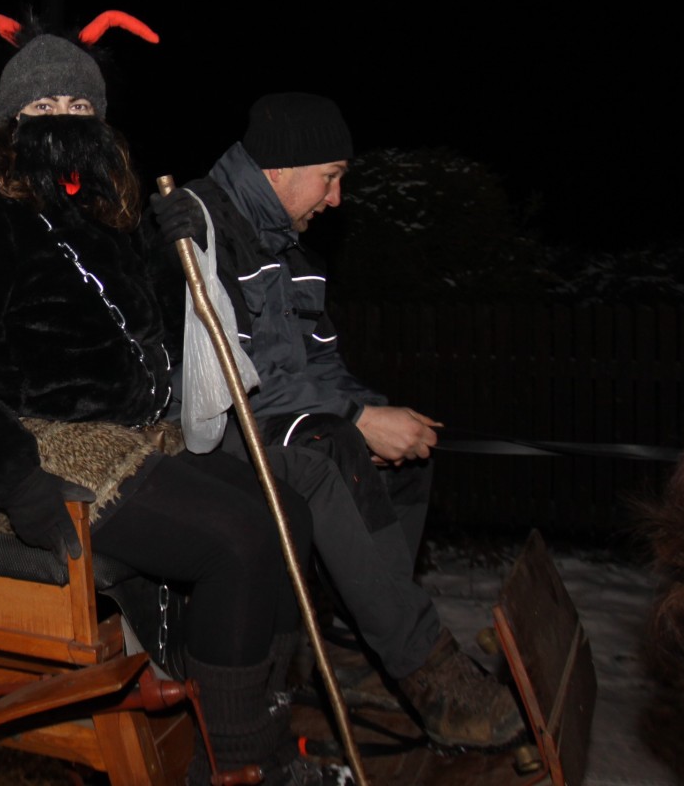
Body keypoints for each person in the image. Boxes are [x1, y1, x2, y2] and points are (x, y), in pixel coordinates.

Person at [0, 13, 331, 784]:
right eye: (43, 107)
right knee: (238, 541)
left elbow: (139, 334)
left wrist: (172, 252)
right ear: (10, 122)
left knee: (285, 513)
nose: (63, 120)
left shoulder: (96, 211)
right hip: (39, 449)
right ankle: (233, 767)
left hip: (130, 437)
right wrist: (17, 479)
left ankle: (257, 723)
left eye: (78, 106)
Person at [149, 92, 522, 748]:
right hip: (197, 432)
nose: (336, 197)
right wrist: (355, 419)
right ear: (280, 169)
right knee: (333, 447)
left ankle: (356, 651)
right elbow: (231, 380)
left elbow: (321, 363)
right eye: (330, 177)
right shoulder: (200, 224)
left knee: (404, 457)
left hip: (270, 417)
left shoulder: (288, 250)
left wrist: (377, 415)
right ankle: (427, 671)